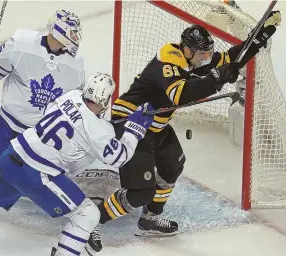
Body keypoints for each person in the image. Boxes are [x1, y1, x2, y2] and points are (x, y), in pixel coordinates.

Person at [85, 10, 281, 255]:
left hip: (155, 126)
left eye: (207, 53)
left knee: (172, 166)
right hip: (131, 125)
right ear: (187, 50)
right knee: (141, 191)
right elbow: (180, 94)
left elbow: (233, 58)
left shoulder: (192, 58)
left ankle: (150, 219)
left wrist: (259, 36)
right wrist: (215, 78)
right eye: (202, 54)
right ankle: (90, 221)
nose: (206, 58)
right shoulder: (167, 62)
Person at [0, 73, 154, 256]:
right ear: (106, 99)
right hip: (36, 174)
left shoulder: (71, 96)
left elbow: (79, 124)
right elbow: (118, 157)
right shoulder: (99, 130)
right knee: (87, 214)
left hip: (11, 156)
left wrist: (105, 129)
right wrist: (134, 131)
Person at [0, 10, 85, 182]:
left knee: (29, 176)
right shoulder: (22, 44)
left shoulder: (75, 67)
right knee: (4, 173)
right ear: (58, 32)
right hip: (10, 120)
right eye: (71, 34)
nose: (74, 40)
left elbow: (74, 101)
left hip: (40, 130)